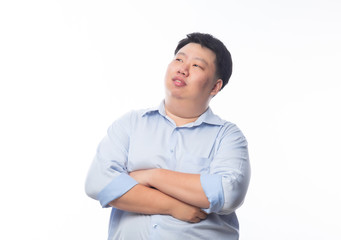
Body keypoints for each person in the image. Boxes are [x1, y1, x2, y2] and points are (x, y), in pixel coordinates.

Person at [85, 32, 251, 240]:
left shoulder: (227, 136)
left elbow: (228, 193)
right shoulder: (131, 124)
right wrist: (174, 206)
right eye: (179, 59)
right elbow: (97, 183)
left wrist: (150, 176)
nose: (182, 68)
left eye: (196, 66)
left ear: (215, 86)